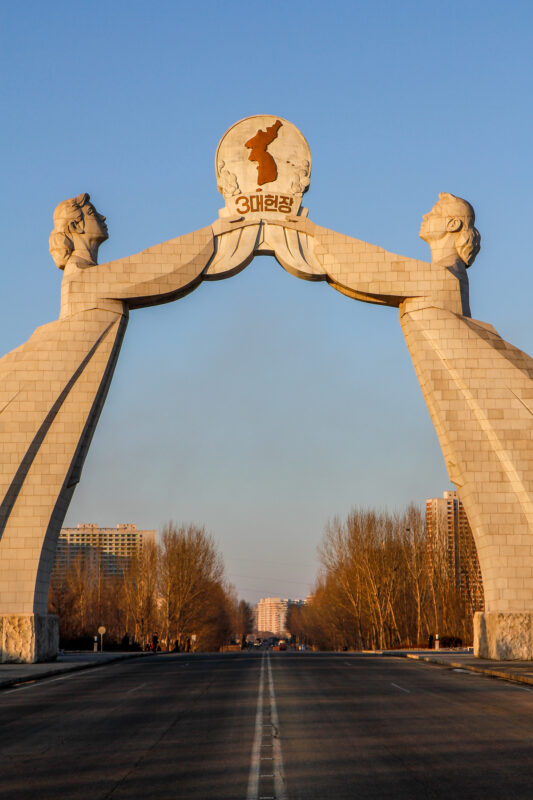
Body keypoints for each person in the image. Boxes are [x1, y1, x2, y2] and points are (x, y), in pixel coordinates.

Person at [0, 194, 216, 620]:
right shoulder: (85, 280)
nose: (104, 216)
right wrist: (220, 236)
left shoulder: (91, 277)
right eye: (94, 212)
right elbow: (165, 268)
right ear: (77, 226)